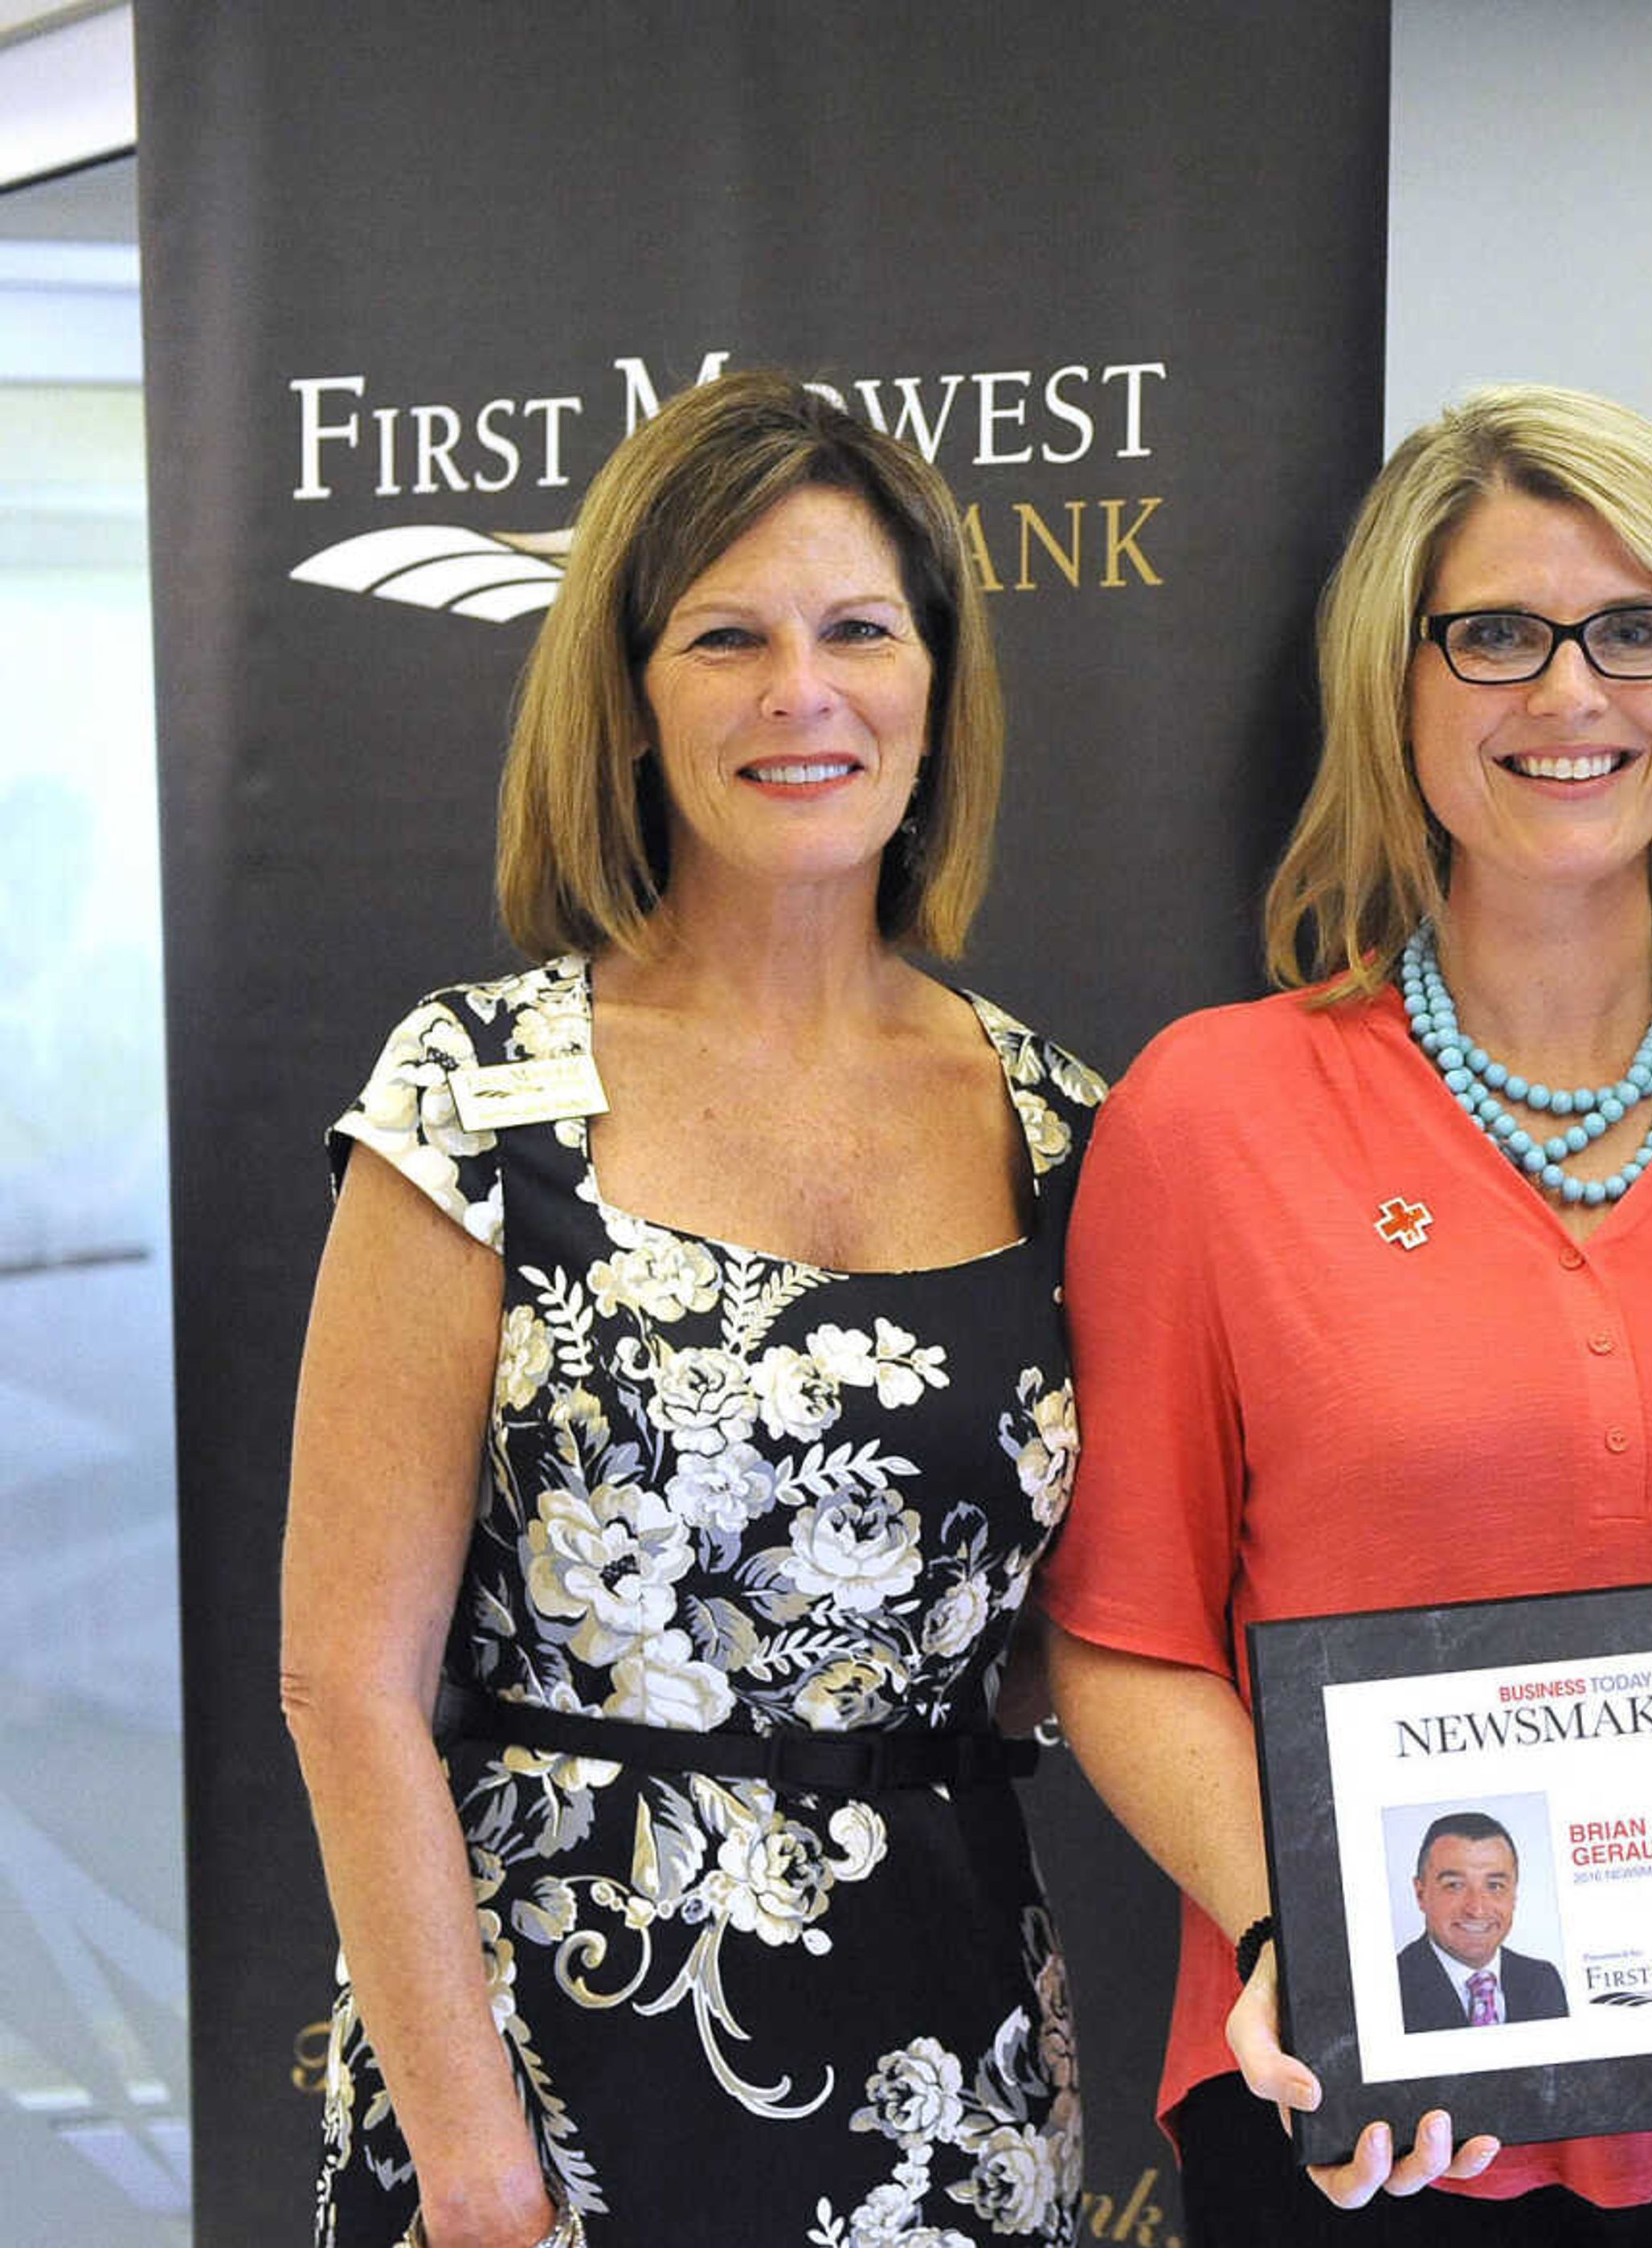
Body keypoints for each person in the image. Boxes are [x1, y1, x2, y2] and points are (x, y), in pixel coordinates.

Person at [1041, 383, 1652, 2246]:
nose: (1571, 693)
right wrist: (1313, 1945)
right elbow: (1125, 1632)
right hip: (1355, 2117)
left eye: (1638, 630)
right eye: (1496, 635)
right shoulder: (1210, 1111)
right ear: (1397, 681)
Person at [283, 371, 1100, 2247]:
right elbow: (344, 1678)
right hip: (538, 2074)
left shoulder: (1068, 1123)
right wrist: (482, 2176)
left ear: (934, 686)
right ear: (634, 699)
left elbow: (1093, 1634)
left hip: (947, 2068)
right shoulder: (479, 1087)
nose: (799, 691)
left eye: (857, 630)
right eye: (726, 634)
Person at [1394, 1813, 1569, 2029]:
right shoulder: (1390, 1988)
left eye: (1494, 1886)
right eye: (1454, 1886)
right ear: (1421, 1894)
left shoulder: (1543, 1982)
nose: (1476, 1910)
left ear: (1514, 1894)